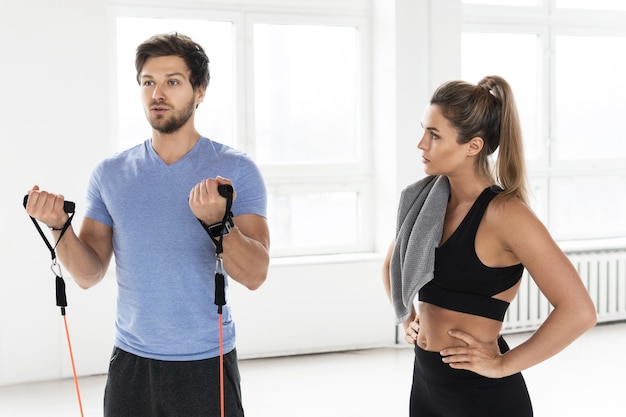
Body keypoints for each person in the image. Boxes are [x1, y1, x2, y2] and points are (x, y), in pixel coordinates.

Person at [25, 33, 270, 417]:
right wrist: (60, 228)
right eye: (148, 82)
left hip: (206, 362)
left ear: (200, 91)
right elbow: (89, 274)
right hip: (131, 362)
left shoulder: (236, 170)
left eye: (173, 81)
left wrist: (219, 224)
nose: (158, 93)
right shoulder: (111, 173)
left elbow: (255, 274)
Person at [382, 75, 596, 417]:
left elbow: (579, 311)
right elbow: (393, 264)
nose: (421, 144)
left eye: (434, 135)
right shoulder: (427, 201)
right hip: (424, 383)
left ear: (473, 146)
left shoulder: (507, 215)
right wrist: (407, 318)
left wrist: (502, 364)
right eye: (424, 130)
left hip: (481, 396)